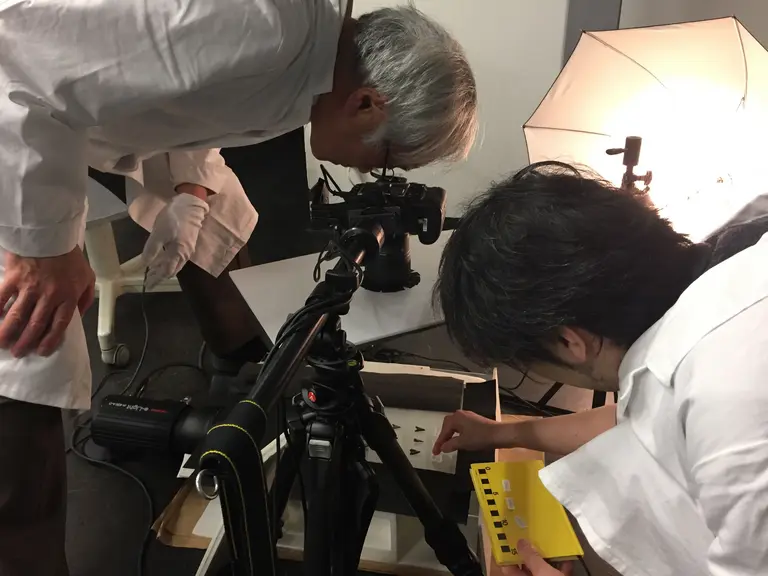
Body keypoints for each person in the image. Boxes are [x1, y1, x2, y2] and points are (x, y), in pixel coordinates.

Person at [0, 1, 478, 573]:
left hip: (73, 112)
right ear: (367, 103)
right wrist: (45, 250)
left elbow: (191, 91)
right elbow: (18, 65)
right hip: (17, 126)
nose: (370, 174)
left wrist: (190, 193)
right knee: (28, 365)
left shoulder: (311, 66)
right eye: (386, 157)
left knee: (220, 222)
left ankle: (243, 377)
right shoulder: (262, 30)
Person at [432, 161, 768, 576]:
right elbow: (633, 416)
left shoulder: (725, 399)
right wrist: (502, 432)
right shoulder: (738, 265)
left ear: (569, 342)